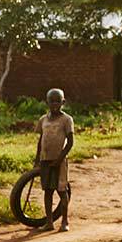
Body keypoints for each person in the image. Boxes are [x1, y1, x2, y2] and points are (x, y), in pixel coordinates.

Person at [35, 88, 76, 232]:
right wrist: (37, 160)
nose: (54, 104)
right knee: (48, 191)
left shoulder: (66, 120)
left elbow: (70, 142)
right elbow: (41, 141)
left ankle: (64, 221)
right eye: (51, 101)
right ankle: (49, 222)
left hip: (59, 161)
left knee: (62, 190)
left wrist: (60, 159)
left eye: (57, 101)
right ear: (47, 102)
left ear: (63, 102)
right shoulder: (43, 120)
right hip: (45, 160)